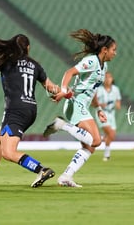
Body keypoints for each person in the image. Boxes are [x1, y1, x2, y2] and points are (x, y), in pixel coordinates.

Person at [0, 33, 60, 188]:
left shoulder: (6, 60)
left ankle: (41, 169)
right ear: (28, 48)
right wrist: (63, 92)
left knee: (9, 153)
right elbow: (51, 87)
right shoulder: (35, 65)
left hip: (15, 110)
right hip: (31, 109)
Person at [44, 29, 117, 187]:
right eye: (113, 50)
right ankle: (61, 124)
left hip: (83, 105)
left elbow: (93, 89)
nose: (115, 53)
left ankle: (66, 177)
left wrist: (98, 109)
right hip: (75, 103)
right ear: (104, 50)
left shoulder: (103, 67)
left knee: (89, 147)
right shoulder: (91, 61)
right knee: (96, 141)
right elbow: (69, 72)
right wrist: (64, 90)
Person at [93, 72, 121, 161]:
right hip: (101, 113)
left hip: (111, 114)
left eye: (109, 77)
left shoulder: (115, 89)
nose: (108, 79)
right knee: (111, 133)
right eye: (106, 77)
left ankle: (106, 153)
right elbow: (93, 103)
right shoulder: (99, 90)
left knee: (112, 136)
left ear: (112, 79)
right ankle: (105, 151)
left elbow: (118, 102)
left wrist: (117, 105)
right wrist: (101, 105)